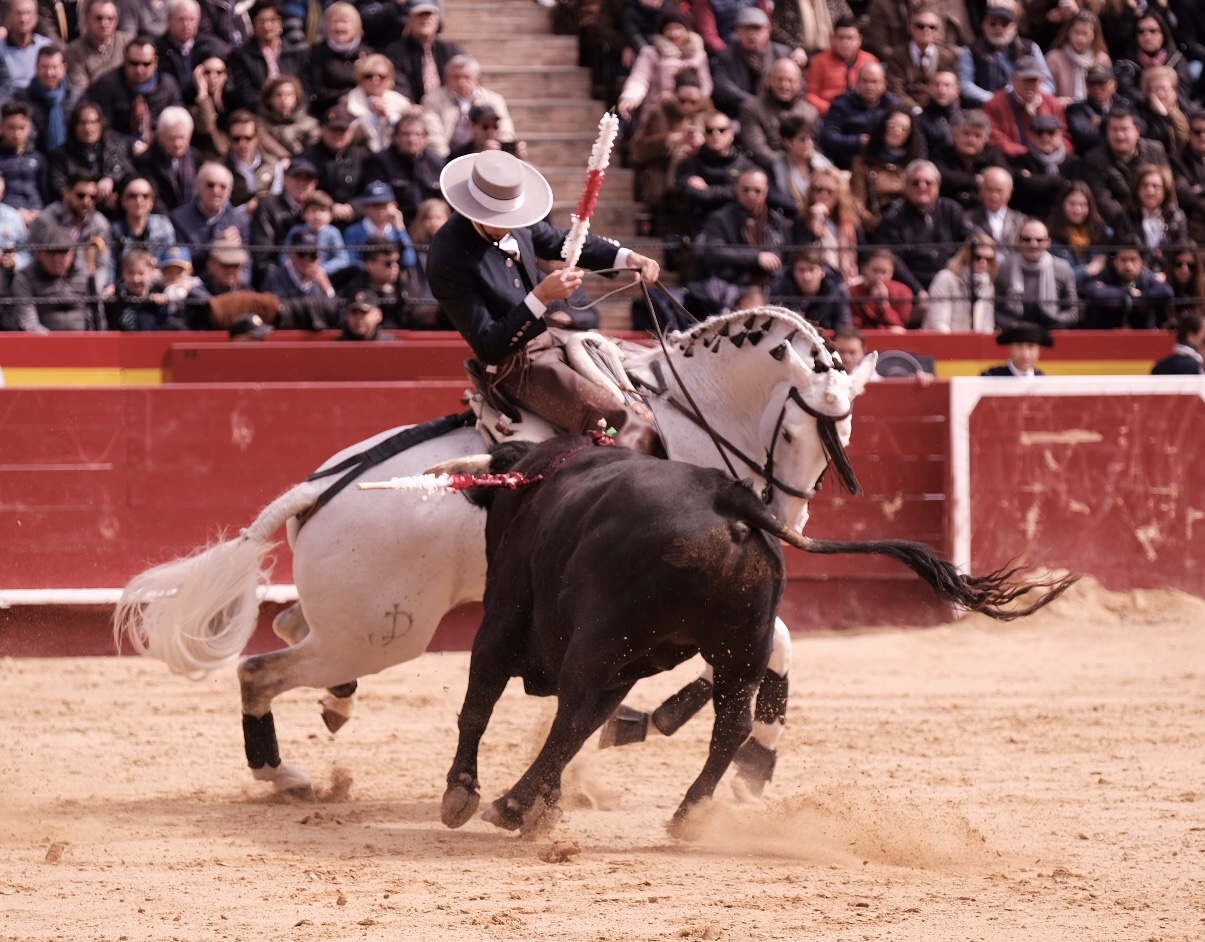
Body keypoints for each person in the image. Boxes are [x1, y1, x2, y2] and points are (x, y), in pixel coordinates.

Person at [426, 150, 661, 451]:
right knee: (620, 421)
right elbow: (488, 346)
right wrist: (541, 297)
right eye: (498, 217)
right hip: (514, 368)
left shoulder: (518, 221)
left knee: (648, 376)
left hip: (554, 337)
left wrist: (626, 256)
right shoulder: (447, 256)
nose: (508, 223)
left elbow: (562, 241)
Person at [685, 167, 792, 316]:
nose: (751, 195)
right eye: (745, 190)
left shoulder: (777, 222)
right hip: (733, 286)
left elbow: (787, 255)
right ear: (736, 189)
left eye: (757, 190)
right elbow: (714, 252)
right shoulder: (719, 218)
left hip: (771, 287)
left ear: (766, 190)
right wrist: (756, 257)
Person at [875, 158, 974, 296]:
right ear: (906, 185)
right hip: (914, 288)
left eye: (928, 183)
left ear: (938, 186)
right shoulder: (893, 216)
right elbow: (894, 259)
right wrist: (918, 291)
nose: (922, 187)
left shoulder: (952, 209)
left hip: (954, 282)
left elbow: (971, 241)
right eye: (915, 182)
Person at [628, 68, 709, 232]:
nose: (687, 106)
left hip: (699, 173)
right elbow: (637, 150)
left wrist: (704, 143)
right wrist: (668, 140)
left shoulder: (708, 115)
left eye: (692, 102)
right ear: (674, 95)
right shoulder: (660, 114)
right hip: (665, 178)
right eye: (682, 100)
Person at [1075, 104, 1170, 226]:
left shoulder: (1156, 150)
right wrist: (1132, 224)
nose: (1119, 136)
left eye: (1124, 129)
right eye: (1114, 130)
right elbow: (1103, 200)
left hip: (1156, 218)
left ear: (1137, 131)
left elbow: (1167, 189)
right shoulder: (1093, 159)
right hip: (1117, 224)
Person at [616, 6, 711, 127]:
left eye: (678, 28)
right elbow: (640, 79)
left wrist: (692, 100)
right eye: (668, 29)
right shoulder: (651, 53)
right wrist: (630, 98)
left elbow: (706, 85)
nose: (674, 33)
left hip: (691, 114)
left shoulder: (699, 55)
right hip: (658, 114)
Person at [87, 34, 183, 146]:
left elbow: (179, 122)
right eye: (133, 63)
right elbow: (102, 129)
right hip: (119, 149)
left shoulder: (167, 85)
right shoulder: (106, 85)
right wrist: (134, 144)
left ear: (155, 62)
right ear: (125, 60)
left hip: (160, 146)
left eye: (146, 64)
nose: (139, 69)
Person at [672, 109, 756, 234]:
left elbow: (746, 192)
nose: (716, 135)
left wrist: (707, 190)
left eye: (722, 130)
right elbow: (684, 187)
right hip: (701, 222)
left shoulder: (744, 164)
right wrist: (731, 190)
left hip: (736, 224)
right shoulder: (692, 162)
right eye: (710, 131)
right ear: (705, 135)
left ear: (731, 134)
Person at [46, 100, 135, 215]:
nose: (88, 128)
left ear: (101, 125)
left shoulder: (116, 149)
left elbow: (129, 175)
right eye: (83, 123)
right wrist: (92, 197)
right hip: (74, 213)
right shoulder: (60, 155)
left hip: (114, 212)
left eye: (93, 122)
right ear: (74, 126)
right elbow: (58, 187)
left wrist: (111, 179)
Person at [957, 2, 1054, 107]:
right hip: (986, 107)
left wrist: (1026, 96)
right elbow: (965, 84)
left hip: (1026, 106)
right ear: (984, 26)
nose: (998, 28)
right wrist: (995, 99)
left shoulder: (1030, 48)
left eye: (1004, 24)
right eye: (993, 24)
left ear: (1015, 28)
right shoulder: (971, 50)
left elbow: (1048, 84)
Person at [29, 167, 111, 289]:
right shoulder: (45, 221)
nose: (87, 201)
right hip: (48, 286)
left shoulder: (100, 225)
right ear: (66, 193)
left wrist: (93, 290)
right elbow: (33, 260)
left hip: (85, 290)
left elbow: (102, 265)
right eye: (81, 195)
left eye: (93, 197)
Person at [5, 223, 97, 331]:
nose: (57, 259)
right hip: (42, 343)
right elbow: (28, 322)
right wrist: (53, 344)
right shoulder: (25, 278)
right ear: (39, 253)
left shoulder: (84, 274)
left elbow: (96, 315)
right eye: (51, 252)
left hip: (85, 341)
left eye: (63, 251)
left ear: (72, 253)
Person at [421, 54, 515, 159]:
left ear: (477, 79)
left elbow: (505, 130)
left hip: (488, 154)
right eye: (456, 77)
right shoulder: (432, 100)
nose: (461, 82)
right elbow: (434, 135)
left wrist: (499, 151)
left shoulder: (494, 99)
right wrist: (447, 161)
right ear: (447, 79)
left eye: (466, 77)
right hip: (449, 157)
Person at [850, 105, 925, 236]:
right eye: (893, 125)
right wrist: (875, 223)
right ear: (884, 126)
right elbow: (857, 203)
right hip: (878, 228)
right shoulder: (863, 163)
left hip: (912, 228)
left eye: (904, 128)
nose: (897, 130)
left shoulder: (915, 165)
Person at [994, 218, 1079, 331]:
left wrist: (1051, 323)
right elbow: (994, 310)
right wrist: (1016, 326)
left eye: (1039, 240)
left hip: (1052, 334)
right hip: (1013, 334)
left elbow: (1072, 312)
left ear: (1048, 243)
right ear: (1018, 241)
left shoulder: (1063, 268)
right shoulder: (1004, 268)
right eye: (1027, 239)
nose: (1033, 244)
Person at [737, 56, 819, 172]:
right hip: (767, 169)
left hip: (804, 168)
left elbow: (817, 148)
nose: (784, 86)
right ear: (769, 79)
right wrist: (787, 166)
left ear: (799, 83)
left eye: (790, 81)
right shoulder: (752, 108)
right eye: (779, 79)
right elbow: (756, 148)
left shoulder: (810, 113)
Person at [224, 0, 306, 115]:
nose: (267, 26)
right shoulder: (241, 56)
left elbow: (305, 89)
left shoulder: (295, 53)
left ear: (281, 23)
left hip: (292, 113)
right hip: (258, 114)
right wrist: (271, 109)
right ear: (253, 24)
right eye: (261, 21)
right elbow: (245, 92)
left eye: (273, 20)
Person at [982, 55, 1070, 160]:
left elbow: (1064, 136)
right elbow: (994, 138)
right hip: (1011, 160)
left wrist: (1054, 151)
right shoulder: (994, 104)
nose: (1029, 85)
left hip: (1050, 159)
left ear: (1041, 81)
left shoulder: (1053, 103)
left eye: (1033, 80)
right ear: (1013, 79)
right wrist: (1028, 154)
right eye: (1025, 79)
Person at [170, 160, 250, 277]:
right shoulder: (179, 218)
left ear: (229, 192)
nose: (216, 191)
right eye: (210, 185)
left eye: (222, 187)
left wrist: (241, 283)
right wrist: (214, 246)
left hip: (232, 285)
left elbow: (248, 263)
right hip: (192, 285)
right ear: (197, 188)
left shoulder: (240, 220)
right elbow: (181, 261)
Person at [710, 7, 792, 118]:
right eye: (747, 29)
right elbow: (723, 86)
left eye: (757, 29)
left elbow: (797, 84)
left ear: (768, 30)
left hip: (778, 111)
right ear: (737, 31)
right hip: (739, 112)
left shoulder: (782, 53)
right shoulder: (726, 55)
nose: (752, 35)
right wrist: (755, 104)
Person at [1081, 235, 1174, 329]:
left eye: (1133, 260)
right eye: (1123, 259)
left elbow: (1166, 291)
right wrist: (1127, 292)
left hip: (1141, 337)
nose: (1128, 265)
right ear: (1115, 261)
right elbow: (1095, 292)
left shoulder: (1145, 277)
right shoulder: (1106, 275)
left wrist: (1142, 297)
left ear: (1142, 262)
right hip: (1107, 336)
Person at [298, 104, 373, 221]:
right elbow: (303, 190)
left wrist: (354, 207)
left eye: (342, 130)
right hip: (319, 219)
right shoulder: (308, 156)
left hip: (357, 219)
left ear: (351, 132)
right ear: (322, 129)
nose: (337, 135)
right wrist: (329, 206)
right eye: (333, 130)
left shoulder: (362, 156)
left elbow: (372, 187)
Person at [818, 61, 898, 170]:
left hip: (885, 167)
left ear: (884, 84)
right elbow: (828, 136)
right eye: (864, 81)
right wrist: (857, 141)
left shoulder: (894, 106)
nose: (869, 86)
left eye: (875, 82)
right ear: (857, 82)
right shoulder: (842, 104)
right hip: (847, 166)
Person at [882, 4, 961, 113]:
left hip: (938, 110)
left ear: (938, 32)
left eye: (932, 27)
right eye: (921, 26)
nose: (926, 30)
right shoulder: (897, 55)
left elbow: (952, 89)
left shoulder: (947, 57)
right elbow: (896, 90)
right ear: (910, 28)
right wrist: (915, 109)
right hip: (906, 111)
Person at [1113, 163, 1188, 276]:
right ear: (1137, 189)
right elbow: (1120, 254)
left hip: (1168, 277)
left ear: (1165, 190)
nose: (1150, 191)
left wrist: (1167, 275)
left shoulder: (1177, 217)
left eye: (1155, 186)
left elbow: (1181, 254)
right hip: (1135, 277)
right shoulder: (1124, 217)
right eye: (1145, 185)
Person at [383, 0, 463, 105]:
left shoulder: (451, 50)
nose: (425, 20)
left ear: (437, 21)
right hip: (410, 110)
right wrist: (411, 105)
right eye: (419, 15)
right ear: (409, 21)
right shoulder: (395, 52)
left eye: (429, 15)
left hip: (448, 109)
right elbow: (399, 85)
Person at [930, 108, 1008, 211]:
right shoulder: (941, 153)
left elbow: (1005, 178)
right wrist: (975, 180)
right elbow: (941, 177)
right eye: (966, 133)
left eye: (977, 135)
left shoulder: (993, 155)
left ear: (985, 139)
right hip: (947, 210)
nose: (971, 140)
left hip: (983, 210)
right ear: (955, 134)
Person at [155, 0, 226, 106]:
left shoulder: (210, 46)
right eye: (181, 19)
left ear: (199, 21)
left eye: (191, 19)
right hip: (170, 106)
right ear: (168, 20)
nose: (186, 25)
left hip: (203, 104)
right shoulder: (157, 48)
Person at [803, 15, 876, 117]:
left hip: (864, 112)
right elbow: (810, 95)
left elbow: (879, 92)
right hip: (829, 115)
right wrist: (832, 109)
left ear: (859, 40)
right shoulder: (819, 61)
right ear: (832, 39)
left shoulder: (870, 61)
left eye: (850, 38)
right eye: (840, 38)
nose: (845, 43)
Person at [924, 233, 998, 332]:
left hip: (973, 343)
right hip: (945, 342)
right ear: (967, 256)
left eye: (989, 259)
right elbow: (939, 324)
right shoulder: (946, 278)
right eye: (978, 257)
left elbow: (988, 324)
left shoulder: (988, 285)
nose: (983, 263)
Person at [17, 44, 81, 156]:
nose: (49, 73)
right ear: (36, 67)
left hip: (71, 159)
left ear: (64, 68)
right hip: (35, 158)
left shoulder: (76, 97)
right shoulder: (22, 99)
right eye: (44, 67)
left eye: (54, 67)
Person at [1010, 113, 1078, 219]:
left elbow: (1075, 191)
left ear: (1060, 135)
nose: (1045, 137)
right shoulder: (1020, 161)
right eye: (1039, 133)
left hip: (1064, 219)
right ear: (1031, 135)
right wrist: (1060, 182)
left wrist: (1035, 180)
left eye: (1051, 133)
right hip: (1030, 219)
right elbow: (1025, 187)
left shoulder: (1073, 162)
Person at [134, 105, 199, 214]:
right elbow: (154, 198)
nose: (178, 144)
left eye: (182, 138)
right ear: (160, 137)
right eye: (172, 138)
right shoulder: (146, 160)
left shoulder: (196, 157)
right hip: (164, 220)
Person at [1047, 180, 1112, 289]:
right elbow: (1055, 276)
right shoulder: (1051, 236)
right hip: (1066, 294)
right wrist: (1087, 270)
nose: (1077, 209)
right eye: (1072, 204)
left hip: (1097, 294)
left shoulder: (1103, 233)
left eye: (1083, 205)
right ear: (1062, 204)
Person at [767, 246, 852, 328]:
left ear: (822, 272)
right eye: (801, 270)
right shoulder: (780, 291)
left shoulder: (837, 292)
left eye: (812, 269)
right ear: (793, 272)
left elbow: (844, 328)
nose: (807, 277)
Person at [305, 2, 366, 119]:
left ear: (356, 25)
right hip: (328, 109)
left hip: (362, 108)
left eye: (345, 22)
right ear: (326, 26)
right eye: (335, 22)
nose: (339, 27)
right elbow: (316, 89)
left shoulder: (366, 52)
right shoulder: (317, 52)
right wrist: (343, 97)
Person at [110, 175, 176, 277]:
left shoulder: (163, 225)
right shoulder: (114, 230)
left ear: (151, 201)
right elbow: (111, 265)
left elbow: (170, 260)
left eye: (145, 196)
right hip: (124, 287)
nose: (139, 201)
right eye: (132, 196)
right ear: (123, 201)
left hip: (158, 283)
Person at [345, 55, 413, 155]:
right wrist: (373, 118)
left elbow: (410, 134)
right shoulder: (348, 102)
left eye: (382, 76)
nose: (375, 80)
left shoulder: (402, 103)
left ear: (390, 80)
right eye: (369, 76)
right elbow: (348, 138)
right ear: (360, 78)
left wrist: (389, 117)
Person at [342, 179, 416, 265]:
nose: (380, 211)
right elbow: (351, 262)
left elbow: (409, 261)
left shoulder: (397, 230)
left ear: (394, 206)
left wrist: (400, 229)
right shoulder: (354, 232)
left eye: (384, 205)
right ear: (365, 208)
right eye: (375, 206)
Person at [1045, 10, 1112, 105]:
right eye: (1076, 32)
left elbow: (1107, 93)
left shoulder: (1102, 59)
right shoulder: (1054, 58)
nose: (1080, 38)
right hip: (1062, 110)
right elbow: (1047, 91)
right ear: (1069, 32)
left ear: (1094, 35)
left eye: (1085, 34)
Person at [64, 0, 131, 91]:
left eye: (110, 18)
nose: (104, 24)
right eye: (99, 18)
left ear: (116, 21)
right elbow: (82, 89)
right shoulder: (74, 51)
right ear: (87, 19)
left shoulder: (128, 43)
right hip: (93, 102)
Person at [0, 100, 50, 221]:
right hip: (6, 215)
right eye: (11, 127)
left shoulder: (39, 158)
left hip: (38, 213)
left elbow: (46, 193)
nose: (16, 134)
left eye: (22, 128)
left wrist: (41, 213)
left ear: (29, 128)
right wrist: (16, 213)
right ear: (1, 127)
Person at [283, 190, 350, 275]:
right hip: (297, 273)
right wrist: (292, 267)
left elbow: (342, 259)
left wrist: (322, 270)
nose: (317, 215)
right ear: (304, 213)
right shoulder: (297, 230)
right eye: (313, 210)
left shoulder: (333, 233)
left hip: (325, 275)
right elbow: (284, 254)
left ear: (331, 215)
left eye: (322, 210)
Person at [1065, 63, 1128, 155]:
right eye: (1091, 83)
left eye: (1101, 83)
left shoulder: (1125, 105)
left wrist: (1103, 121)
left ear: (1114, 86)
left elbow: (1139, 128)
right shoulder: (1077, 109)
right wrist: (1118, 130)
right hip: (1093, 157)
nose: (1096, 88)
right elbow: (1082, 136)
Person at [969, 166, 1026, 262]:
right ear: (981, 190)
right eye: (989, 190)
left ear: (1010, 192)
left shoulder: (1022, 221)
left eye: (999, 191)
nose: (994, 196)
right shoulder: (968, 219)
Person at [256, 75, 319, 160]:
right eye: (278, 95)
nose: (284, 99)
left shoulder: (310, 124)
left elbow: (314, 153)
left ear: (296, 99)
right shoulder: (258, 124)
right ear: (269, 99)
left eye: (289, 94)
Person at [849, 248, 913, 330]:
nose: (879, 276)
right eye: (875, 271)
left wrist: (884, 305)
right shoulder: (852, 292)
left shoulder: (903, 292)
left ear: (892, 273)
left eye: (884, 272)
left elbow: (901, 325)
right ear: (865, 269)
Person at [0, 0, 53, 92]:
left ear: (36, 17)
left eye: (28, 13)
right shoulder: (1, 49)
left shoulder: (47, 46)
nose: (23, 19)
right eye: (18, 13)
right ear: (7, 17)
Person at [1172, 110, 1205, 245]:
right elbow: (1185, 196)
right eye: (1197, 132)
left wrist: (1201, 189)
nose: (1203, 136)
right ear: (1189, 134)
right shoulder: (1177, 160)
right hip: (1193, 226)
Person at [981, 321, 1052, 376]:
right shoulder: (993, 378)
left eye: (1031, 347)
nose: (1025, 355)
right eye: (1019, 346)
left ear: (1039, 350)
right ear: (1010, 348)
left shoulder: (1042, 379)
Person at [916, 70, 962, 155]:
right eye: (936, 85)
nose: (941, 90)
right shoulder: (919, 121)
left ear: (957, 91)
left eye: (947, 85)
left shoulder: (965, 119)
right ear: (929, 89)